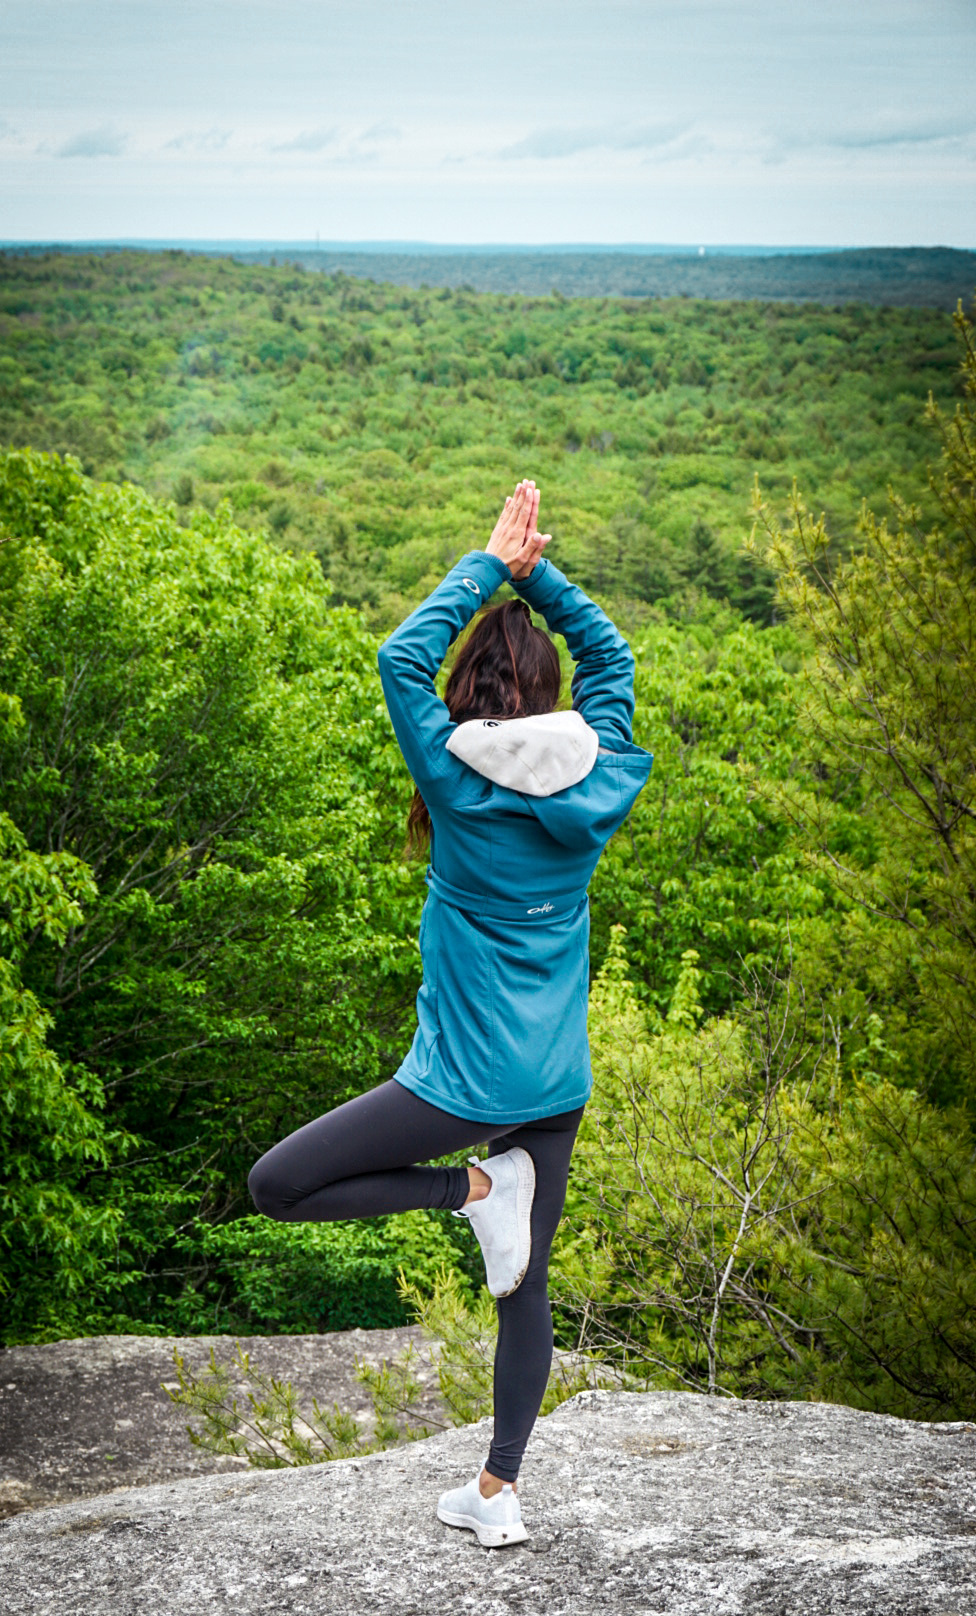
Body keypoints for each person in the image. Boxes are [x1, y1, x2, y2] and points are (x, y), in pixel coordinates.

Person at [248, 479, 653, 1547]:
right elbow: (612, 661)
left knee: (276, 1184)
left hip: (459, 1087)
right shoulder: (597, 771)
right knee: (524, 1281)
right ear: (554, 695)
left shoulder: (458, 776)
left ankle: (468, 1184)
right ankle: (497, 1492)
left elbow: (394, 658)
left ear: (473, 688)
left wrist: (491, 565)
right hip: (555, 1081)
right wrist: (541, 579)